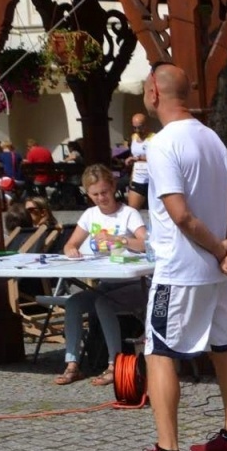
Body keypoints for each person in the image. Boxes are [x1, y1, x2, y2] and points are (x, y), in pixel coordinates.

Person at [123, 64, 227, 451]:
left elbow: (180, 215)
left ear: (155, 93)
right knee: (225, 348)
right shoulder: (213, 140)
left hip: (181, 270)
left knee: (159, 353)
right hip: (217, 273)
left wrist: (217, 249)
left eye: (145, 86)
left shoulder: (163, 145)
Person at [57, 165, 148, 386]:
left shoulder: (128, 214)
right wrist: (71, 250)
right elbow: (70, 244)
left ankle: (114, 363)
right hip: (106, 282)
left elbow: (146, 244)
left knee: (103, 304)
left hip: (134, 283)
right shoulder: (90, 215)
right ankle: (72, 364)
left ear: (113, 188)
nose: (101, 198)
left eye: (104, 192)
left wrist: (123, 241)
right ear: (88, 194)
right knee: (73, 304)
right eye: (95, 194)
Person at [125, 112, 152, 211]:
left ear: (146, 125)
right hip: (138, 178)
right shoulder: (134, 137)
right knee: (132, 211)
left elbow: (158, 158)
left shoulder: (154, 138)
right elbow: (134, 157)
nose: (137, 130)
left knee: (154, 212)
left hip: (152, 180)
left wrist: (139, 158)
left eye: (140, 127)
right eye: (134, 127)